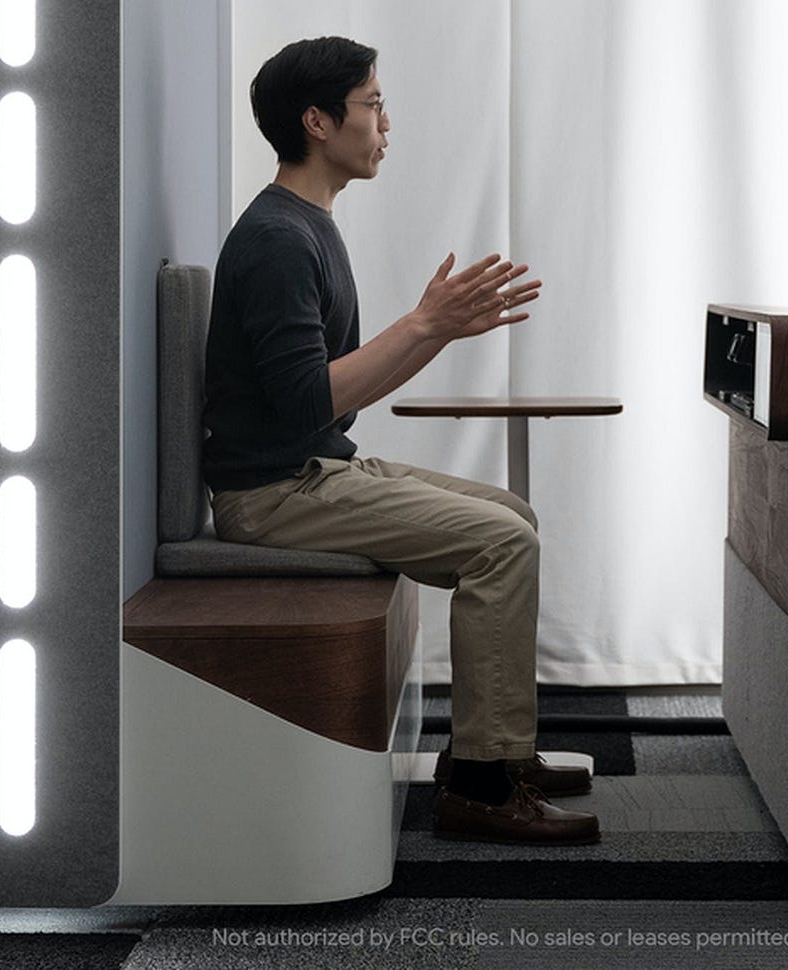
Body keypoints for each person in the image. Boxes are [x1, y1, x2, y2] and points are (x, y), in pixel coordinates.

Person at [202, 36, 599, 846]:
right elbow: (307, 403)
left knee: (510, 514)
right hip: (271, 494)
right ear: (318, 121)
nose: (387, 121)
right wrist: (424, 325)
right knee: (500, 545)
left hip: (311, 466)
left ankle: (493, 750)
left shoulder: (307, 222)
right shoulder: (279, 239)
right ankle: (484, 787)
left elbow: (324, 401)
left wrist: (437, 333)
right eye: (373, 104)